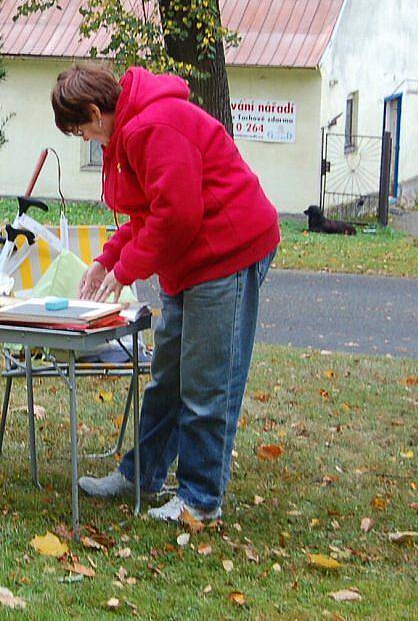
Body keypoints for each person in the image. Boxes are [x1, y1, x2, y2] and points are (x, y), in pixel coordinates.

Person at [50, 64, 280, 522]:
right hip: (188, 262)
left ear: (96, 112)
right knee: (167, 378)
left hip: (227, 252)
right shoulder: (129, 133)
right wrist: (107, 260)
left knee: (206, 383)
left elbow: (175, 216)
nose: (85, 141)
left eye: (81, 131)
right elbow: (145, 214)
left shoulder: (153, 127)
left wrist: (126, 271)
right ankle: (142, 475)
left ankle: (199, 500)